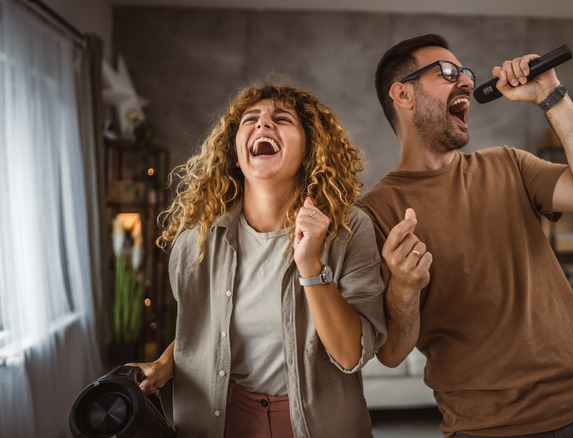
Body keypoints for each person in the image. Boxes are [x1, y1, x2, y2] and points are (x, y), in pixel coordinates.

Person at [360, 34, 573, 437]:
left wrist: (550, 94)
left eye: (466, 73)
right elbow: (391, 353)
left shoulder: (508, 165)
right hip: (488, 425)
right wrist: (403, 287)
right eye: (448, 73)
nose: (466, 82)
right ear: (403, 94)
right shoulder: (374, 213)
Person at [128, 82, 386, 438]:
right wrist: (163, 365)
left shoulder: (348, 228)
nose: (263, 124)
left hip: (316, 423)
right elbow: (205, 332)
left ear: (310, 149)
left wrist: (310, 266)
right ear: (235, 154)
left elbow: (349, 355)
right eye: (250, 119)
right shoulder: (195, 242)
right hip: (222, 418)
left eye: (282, 119)